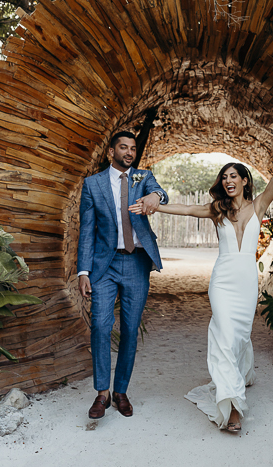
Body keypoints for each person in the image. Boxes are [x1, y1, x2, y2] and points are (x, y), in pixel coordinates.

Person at [130, 138, 273, 432]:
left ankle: (238, 377)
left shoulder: (259, 205)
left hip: (246, 282)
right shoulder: (217, 209)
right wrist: (154, 205)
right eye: (224, 176)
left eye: (234, 176)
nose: (228, 180)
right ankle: (232, 406)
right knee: (222, 336)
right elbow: (186, 209)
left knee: (238, 337)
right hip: (222, 281)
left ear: (245, 181)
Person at [77, 131, 169, 420]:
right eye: (123, 147)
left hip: (137, 263)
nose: (129, 152)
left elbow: (160, 192)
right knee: (101, 326)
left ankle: (121, 392)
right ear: (111, 151)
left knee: (130, 329)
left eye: (133, 148)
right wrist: (83, 271)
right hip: (104, 265)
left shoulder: (143, 177)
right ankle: (102, 393)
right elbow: (86, 231)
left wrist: (155, 195)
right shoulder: (93, 184)